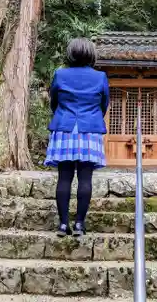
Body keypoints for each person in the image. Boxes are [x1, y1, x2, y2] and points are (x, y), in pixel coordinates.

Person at [44, 38, 109, 237]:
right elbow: (104, 104)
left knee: (64, 178)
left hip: (64, 127)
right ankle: (79, 224)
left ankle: (63, 224)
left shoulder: (60, 74)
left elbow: (54, 101)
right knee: (85, 178)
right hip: (89, 129)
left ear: (70, 53)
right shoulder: (100, 77)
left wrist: (63, 113)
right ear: (91, 54)